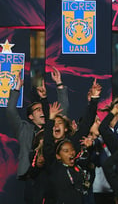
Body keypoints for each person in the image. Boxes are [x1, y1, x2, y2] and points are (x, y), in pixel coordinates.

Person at [6, 67, 68, 204]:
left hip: (51, 174)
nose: (42, 112)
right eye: (37, 110)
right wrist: (17, 88)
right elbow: (10, 111)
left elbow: (63, 110)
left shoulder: (52, 127)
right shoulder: (23, 129)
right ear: (30, 116)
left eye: (43, 109)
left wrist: (59, 84)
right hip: (32, 176)